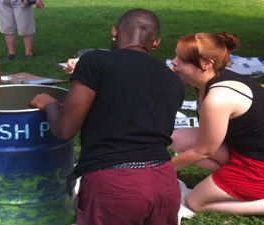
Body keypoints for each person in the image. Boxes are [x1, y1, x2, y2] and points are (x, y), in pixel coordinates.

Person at [29, 8, 185, 225]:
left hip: (115, 184)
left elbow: (65, 129)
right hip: (165, 181)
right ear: (156, 43)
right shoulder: (173, 80)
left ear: (114, 31)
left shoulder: (95, 60)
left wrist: (50, 105)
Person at [170, 32, 264, 215]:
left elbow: (204, 151)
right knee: (179, 139)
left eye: (182, 59)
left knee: (196, 203)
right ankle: (233, 179)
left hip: (257, 166)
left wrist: (160, 167)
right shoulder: (211, 79)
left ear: (206, 63)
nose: (174, 62)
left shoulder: (217, 99)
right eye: (176, 55)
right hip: (242, 149)